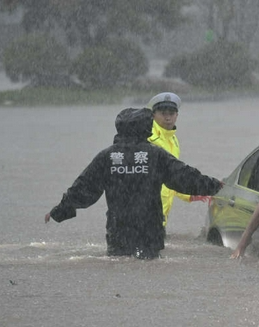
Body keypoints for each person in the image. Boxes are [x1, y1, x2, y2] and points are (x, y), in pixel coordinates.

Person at [45, 107, 224, 259]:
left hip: (118, 230)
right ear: (146, 127)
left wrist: (59, 210)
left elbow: (84, 188)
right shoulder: (155, 155)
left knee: (120, 266)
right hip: (150, 231)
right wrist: (216, 186)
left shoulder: (107, 157)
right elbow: (185, 177)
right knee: (149, 270)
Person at [146, 92, 208, 228]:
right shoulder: (148, 138)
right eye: (163, 113)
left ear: (177, 116)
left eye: (171, 113)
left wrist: (190, 194)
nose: (168, 117)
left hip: (161, 214)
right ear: (153, 115)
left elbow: (173, 176)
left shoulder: (173, 140)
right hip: (146, 210)